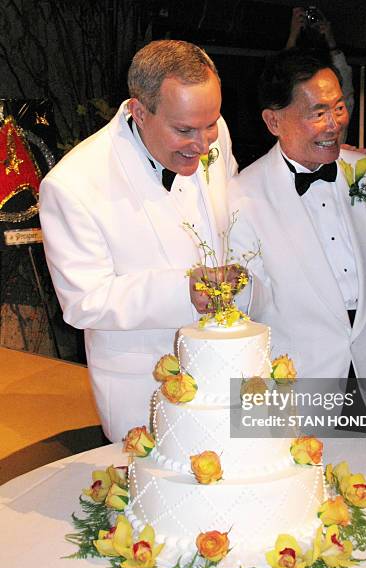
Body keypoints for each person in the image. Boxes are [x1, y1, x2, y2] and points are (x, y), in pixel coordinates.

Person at [39, 40, 238, 441]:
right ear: (139, 111)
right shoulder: (72, 184)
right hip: (144, 383)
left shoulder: (211, 133)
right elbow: (83, 302)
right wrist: (182, 290)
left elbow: (237, 203)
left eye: (211, 124)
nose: (203, 145)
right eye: (184, 130)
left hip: (230, 364)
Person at [229, 48, 366, 428]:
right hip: (294, 385)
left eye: (339, 108)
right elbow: (248, 308)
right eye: (317, 113)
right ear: (273, 121)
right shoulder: (240, 196)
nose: (334, 124)